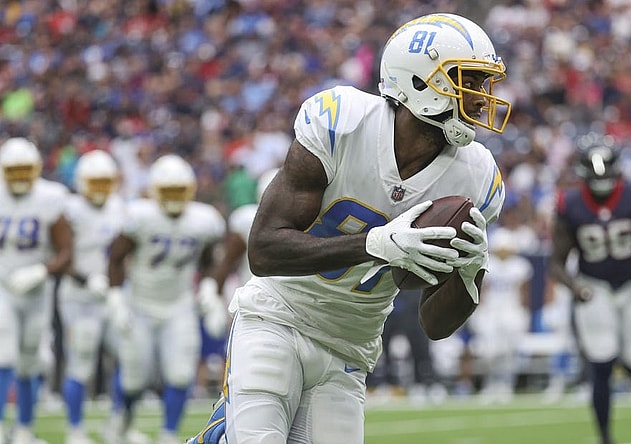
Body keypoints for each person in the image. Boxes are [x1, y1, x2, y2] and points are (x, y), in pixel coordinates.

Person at [187, 12, 510, 444]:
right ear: (418, 82)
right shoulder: (342, 121)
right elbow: (263, 252)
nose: (481, 98)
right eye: (468, 81)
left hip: (350, 343)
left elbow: (434, 325)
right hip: (278, 317)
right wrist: (375, 244)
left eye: (484, 84)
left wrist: (471, 275)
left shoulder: (477, 177)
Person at [549, 133, 631, 444]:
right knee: (601, 362)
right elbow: (556, 263)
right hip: (594, 287)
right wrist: (575, 286)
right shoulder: (570, 205)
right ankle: (605, 437)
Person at [106, 154, 226, 444]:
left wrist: (209, 289)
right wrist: (116, 298)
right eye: (168, 191)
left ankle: (168, 433)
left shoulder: (203, 220)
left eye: (179, 191)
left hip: (179, 305)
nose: (174, 198)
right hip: (140, 303)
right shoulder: (140, 216)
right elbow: (116, 258)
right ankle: (122, 421)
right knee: (134, 377)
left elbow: (211, 260)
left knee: (181, 374)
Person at [0, 137, 73, 444]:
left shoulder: (50, 196)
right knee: (4, 354)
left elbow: (66, 251)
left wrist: (42, 270)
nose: (19, 178)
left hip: (36, 289)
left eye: (24, 170)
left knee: (31, 360)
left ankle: (25, 428)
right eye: (13, 171)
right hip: (1, 286)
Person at [57, 150, 125, 444]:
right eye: (93, 182)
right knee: (81, 360)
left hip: (110, 296)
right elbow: (61, 254)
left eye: (104, 182)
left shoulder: (120, 207)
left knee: (129, 358)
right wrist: (86, 278)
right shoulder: (70, 209)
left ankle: (118, 424)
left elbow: (125, 255)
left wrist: (118, 287)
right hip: (78, 296)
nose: (99, 189)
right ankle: (75, 429)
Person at [194, 167, 279, 398]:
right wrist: (212, 292)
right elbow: (227, 263)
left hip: (295, 305)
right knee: (243, 364)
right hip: (256, 303)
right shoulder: (249, 222)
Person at [469, 228, 532, 402]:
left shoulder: (520, 266)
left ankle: (506, 384)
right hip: (491, 312)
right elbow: (483, 290)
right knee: (489, 351)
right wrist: (479, 310)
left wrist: (524, 313)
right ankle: (490, 384)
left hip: (512, 311)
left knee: (509, 351)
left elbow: (524, 293)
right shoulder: (489, 263)